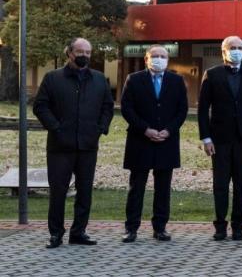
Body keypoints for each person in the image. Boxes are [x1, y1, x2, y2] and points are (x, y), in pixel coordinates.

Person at [33, 38, 114, 249]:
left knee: (85, 190)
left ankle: (79, 232)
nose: (84, 56)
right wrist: (56, 128)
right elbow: (40, 106)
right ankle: (56, 234)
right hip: (60, 146)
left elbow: (108, 106)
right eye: (80, 51)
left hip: (88, 145)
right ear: (69, 52)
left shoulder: (98, 79)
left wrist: (100, 129)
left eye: (88, 52)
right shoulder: (52, 78)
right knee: (58, 191)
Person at [198, 35, 242, 241]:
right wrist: (206, 139)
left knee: (241, 184)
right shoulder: (211, 74)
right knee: (220, 184)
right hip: (219, 139)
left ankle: (238, 226)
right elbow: (202, 110)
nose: (236, 50)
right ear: (224, 51)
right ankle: (220, 226)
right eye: (232, 47)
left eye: (239, 47)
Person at [119, 46, 189, 243]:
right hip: (140, 140)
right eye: (155, 56)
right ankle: (131, 228)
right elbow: (127, 108)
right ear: (146, 59)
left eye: (162, 56)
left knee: (163, 188)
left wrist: (169, 130)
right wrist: (145, 129)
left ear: (168, 59)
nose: (158, 59)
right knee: (136, 187)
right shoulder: (134, 79)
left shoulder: (176, 81)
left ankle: (160, 228)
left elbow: (182, 110)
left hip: (167, 141)